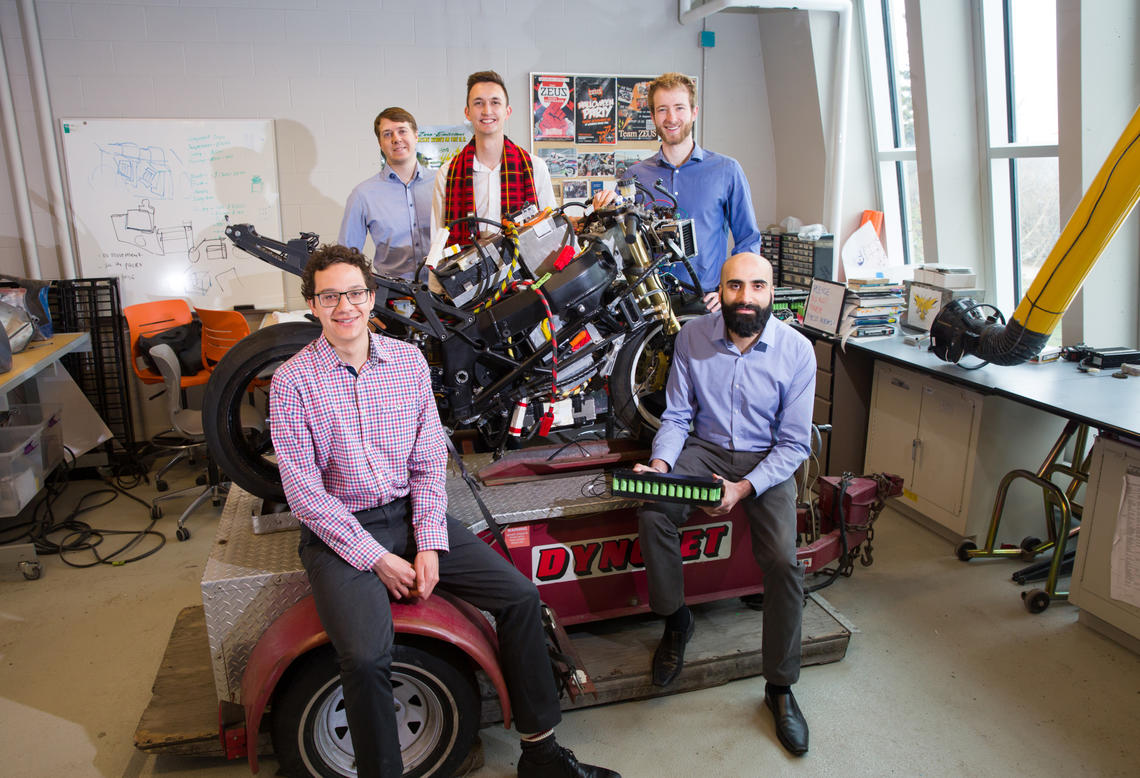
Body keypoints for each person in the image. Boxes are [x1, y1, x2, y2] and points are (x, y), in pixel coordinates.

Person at [269, 244, 619, 778]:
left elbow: (430, 461)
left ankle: (542, 752)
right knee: (365, 657)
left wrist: (429, 541)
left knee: (521, 597)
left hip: (410, 517)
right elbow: (305, 494)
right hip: (340, 532)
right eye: (330, 296)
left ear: (372, 297)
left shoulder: (406, 363)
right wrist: (379, 560)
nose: (345, 306)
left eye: (355, 293)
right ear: (312, 304)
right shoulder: (292, 382)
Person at [633, 251, 814, 756]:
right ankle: (676, 619)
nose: (746, 297)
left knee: (782, 560)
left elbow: (795, 445)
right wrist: (664, 468)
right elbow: (676, 416)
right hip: (704, 449)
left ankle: (780, 688)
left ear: (771, 292)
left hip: (767, 460)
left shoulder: (798, 352)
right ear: (721, 289)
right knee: (653, 511)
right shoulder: (692, 336)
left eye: (758, 286)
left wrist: (742, 488)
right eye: (735, 286)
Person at [594, 72, 761, 312]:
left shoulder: (726, 170)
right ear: (652, 116)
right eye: (662, 110)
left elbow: (748, 240)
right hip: (651, 305)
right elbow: (619, 242)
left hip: (707, 304)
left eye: (679, 108)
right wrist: (604, 211)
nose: (671, 118)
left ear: (694, 112)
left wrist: (731, 288)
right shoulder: (634, 176)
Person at [431, 70, 557, 246]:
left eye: (495, 102)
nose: (487, 110)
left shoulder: (535, 167)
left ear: (507, 111)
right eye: (478, 103)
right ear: (467, 112)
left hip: (526, 272)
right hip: (467, 273)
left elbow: (552, 233)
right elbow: (437, 241)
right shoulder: (447, 174)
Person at [338, 107, 434, 280]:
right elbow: (346, 258)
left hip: (447, 292)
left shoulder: (443, 183)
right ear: (380, 143)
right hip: (394, 296)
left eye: (402, 131)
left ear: (416, 135)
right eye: (387, 134)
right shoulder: (363, 195)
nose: (396, 139)